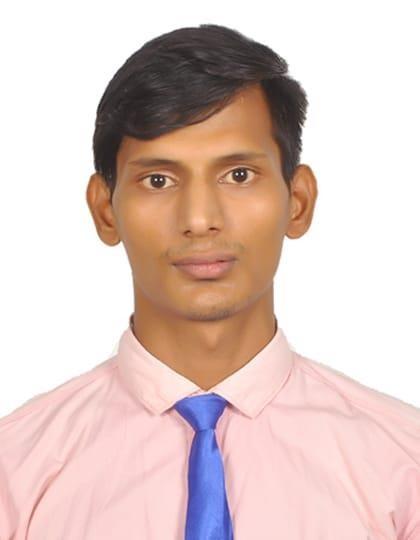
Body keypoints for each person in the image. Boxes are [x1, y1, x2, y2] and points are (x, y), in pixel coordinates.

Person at [0, 23, 419, 540]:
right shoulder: (14, 474)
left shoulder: (405, 468)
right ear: (105, 210)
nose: (199, 219)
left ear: (298, 201)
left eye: (238, 175)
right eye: (158, 180)